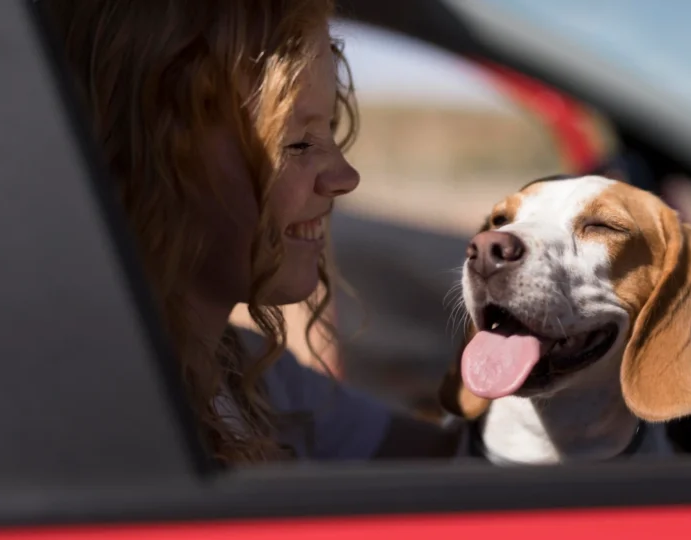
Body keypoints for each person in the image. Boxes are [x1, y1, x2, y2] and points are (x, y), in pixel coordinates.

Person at [42, 0, 460, 465]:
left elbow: (448, 468)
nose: (344, 176)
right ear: (154, 159)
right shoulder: (96, 411)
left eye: (331, 131)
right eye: (298, 142)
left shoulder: (248, 373)